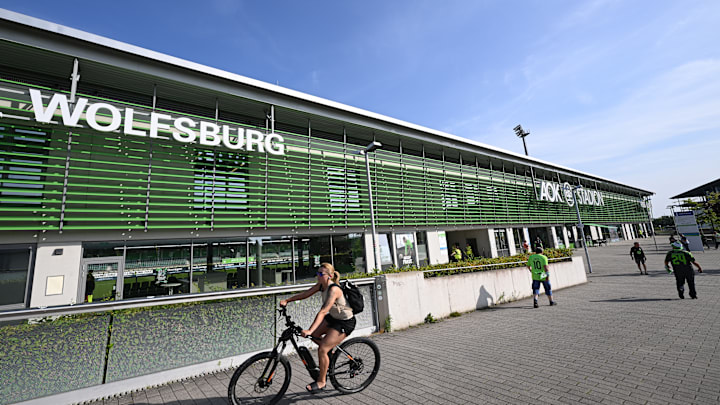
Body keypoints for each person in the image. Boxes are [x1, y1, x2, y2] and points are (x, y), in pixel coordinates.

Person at [279, 263, 355, 393]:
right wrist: (288, 300)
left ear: (329, 276)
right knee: (314, 336)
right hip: (333, 317)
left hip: (344, 322)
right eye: (317, 273)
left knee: (322, 349)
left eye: (321, 274)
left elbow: (323, 311)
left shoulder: (334, 289)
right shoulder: (321, 285)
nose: (318, 276)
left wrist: (309, 330)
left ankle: (322, 381)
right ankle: (329, 354)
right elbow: (305, 294)